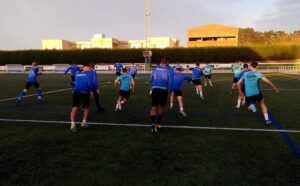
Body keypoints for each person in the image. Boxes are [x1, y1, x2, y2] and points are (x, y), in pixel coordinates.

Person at [150, 58, 173, 134]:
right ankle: (158, 123)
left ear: (160, 62)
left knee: (154, 107)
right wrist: (171, 90)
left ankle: (153, 124)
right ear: (167, 62)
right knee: (161, 107)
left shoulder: (155, 68)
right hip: (164, 89)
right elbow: (170, 81)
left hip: (155, 88)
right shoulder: (169, 69)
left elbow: (151, 79)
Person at [70, 64, 94, 132]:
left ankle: (72, 124)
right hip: (85, 93)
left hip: (76, 92)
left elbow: (75, 82)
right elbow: (90, 83)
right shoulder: (90, 74)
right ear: (89, 68)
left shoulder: (77, 74)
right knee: (86, 107)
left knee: (74, 107)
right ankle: (83, 122)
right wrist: (91, 92)